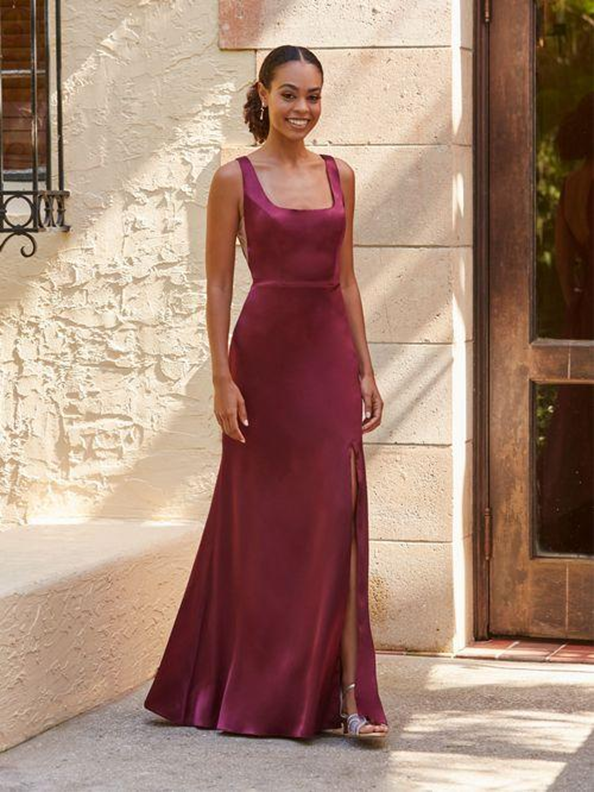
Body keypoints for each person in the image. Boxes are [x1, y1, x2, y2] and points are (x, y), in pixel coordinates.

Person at [144, 44, 389, 741]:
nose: (302, 108)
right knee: (260, 528)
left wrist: (366, 369)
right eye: (289, 94)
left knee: (337, 520)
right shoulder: (234, 179)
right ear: (263, 94)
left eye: (313, 95)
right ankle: (253, 685)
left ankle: (351, 698)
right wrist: (221, 377)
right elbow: (219, 283)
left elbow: (346, 280)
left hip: (327, 362)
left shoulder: (340, 175)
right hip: (262, 364)